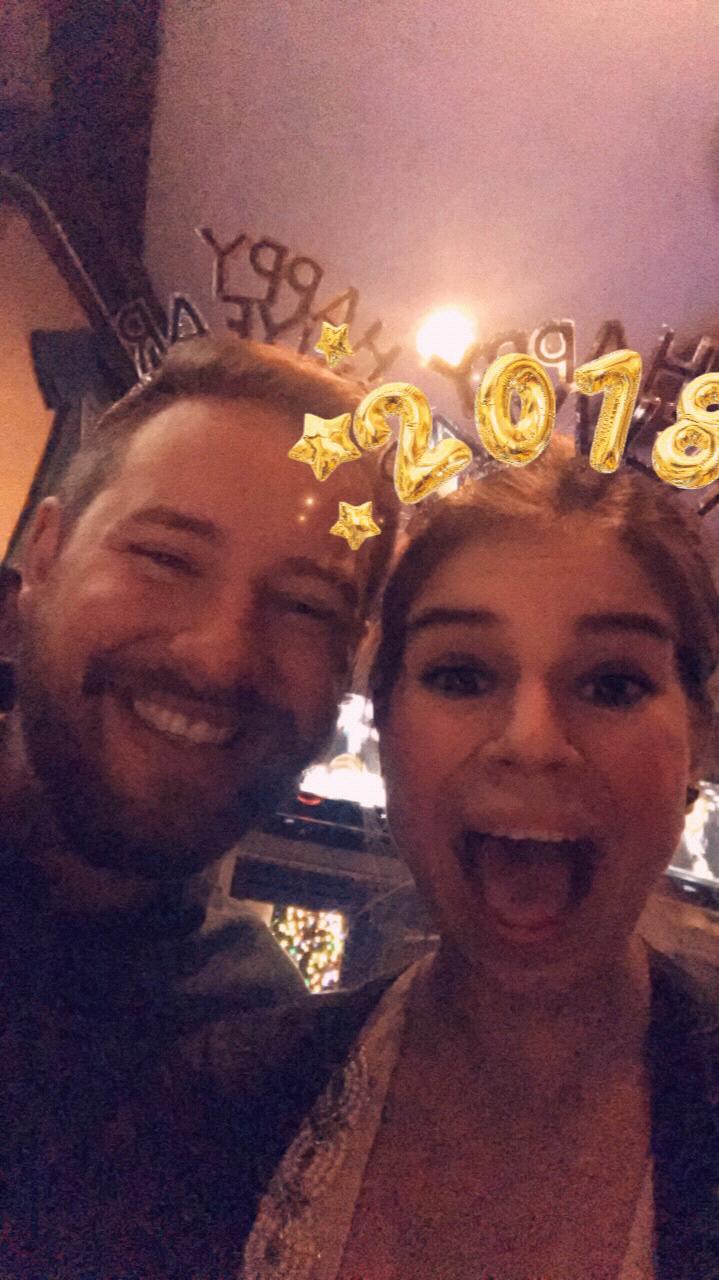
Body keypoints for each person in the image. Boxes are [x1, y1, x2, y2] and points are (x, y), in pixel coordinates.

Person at [193, 439, 719, 1280]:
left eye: (612, 685)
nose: (532, 742)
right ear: (384, 722)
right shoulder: (214, 1104)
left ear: (697, 736)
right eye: (462, 675)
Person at [0, 334, 395, 1276]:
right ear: (44, 555)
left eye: (306, 606)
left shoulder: (257, 1065)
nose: (220, 656)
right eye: (167, 557)